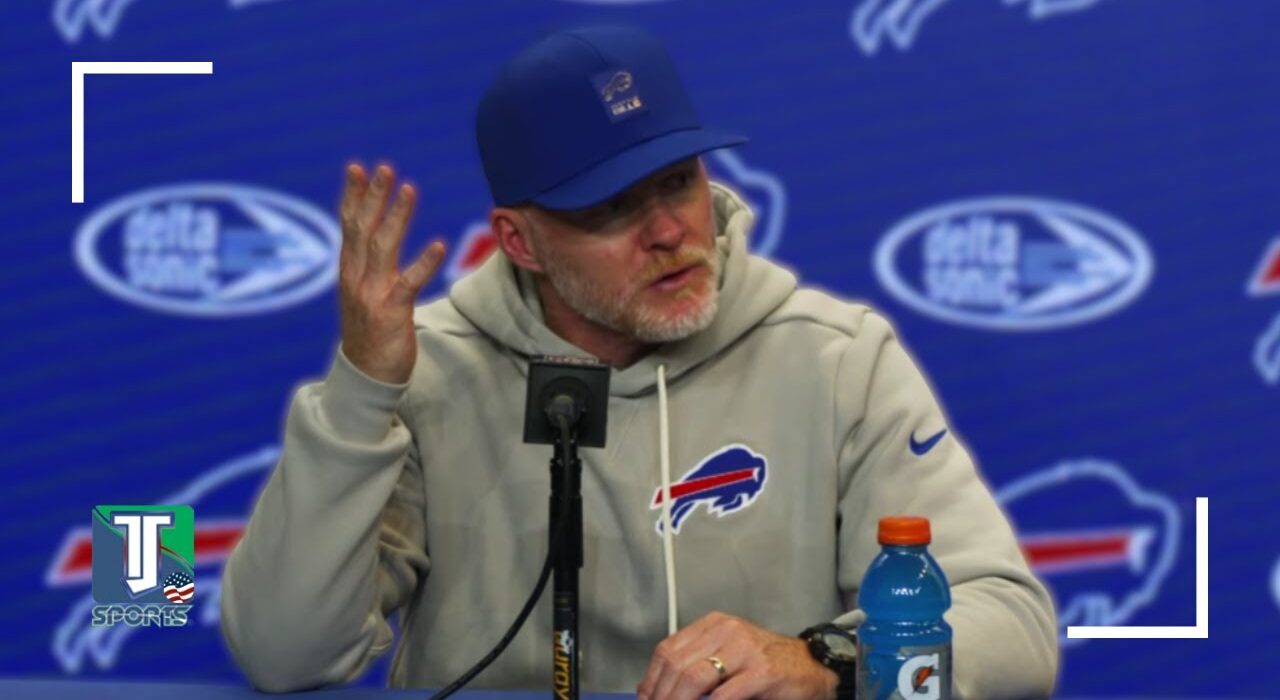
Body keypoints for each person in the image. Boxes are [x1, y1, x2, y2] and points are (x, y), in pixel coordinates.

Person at [220, 24, 1058, 700]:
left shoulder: (837, 360)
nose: (668, 231)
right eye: (613, 206)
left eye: (678, 181)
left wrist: (828, 663)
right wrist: (364, 393)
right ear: (521, 240)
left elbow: (1012, 624)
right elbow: (281, 655)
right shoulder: (430, 375)